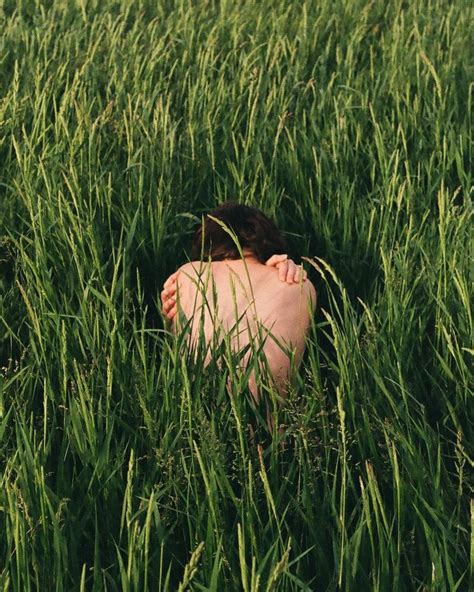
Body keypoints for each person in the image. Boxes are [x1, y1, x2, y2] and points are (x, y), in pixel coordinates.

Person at [161, 202, 316, 404]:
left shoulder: (189, 274)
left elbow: (178, 351)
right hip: (272, 433)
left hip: (194, 429)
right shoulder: (297, 284)